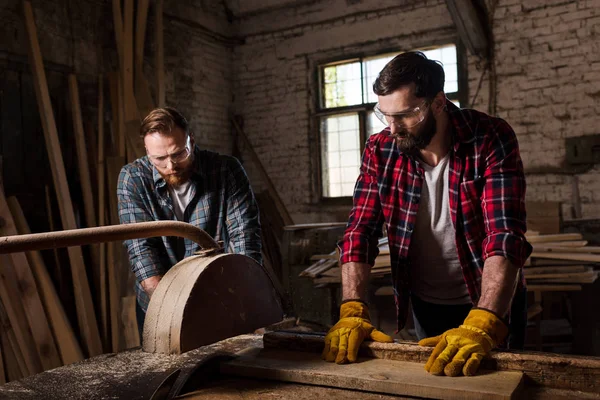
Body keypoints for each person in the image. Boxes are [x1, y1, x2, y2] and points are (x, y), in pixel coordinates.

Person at [322, 52, 532, 377]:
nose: (393, 129)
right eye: (385, 116)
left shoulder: (490, 138)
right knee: (438, 384)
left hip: (489, 301)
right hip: (425, 302)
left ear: (438, 103)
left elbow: (504, 235)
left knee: (497, 387)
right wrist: (352, 309)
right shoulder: (381, 149)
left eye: (405, 115)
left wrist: (486, 320)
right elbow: (359, 233)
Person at [117, 107, 262, 338]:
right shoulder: (132, 179)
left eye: (178, 154)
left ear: (191, 141)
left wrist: (243, 298)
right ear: (147, 151)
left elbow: (244, 236)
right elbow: (141, 249)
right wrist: (173, 310)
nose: (171, 166)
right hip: (161, 302)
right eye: (159, 159)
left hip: (221, 296)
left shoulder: (226, 170)